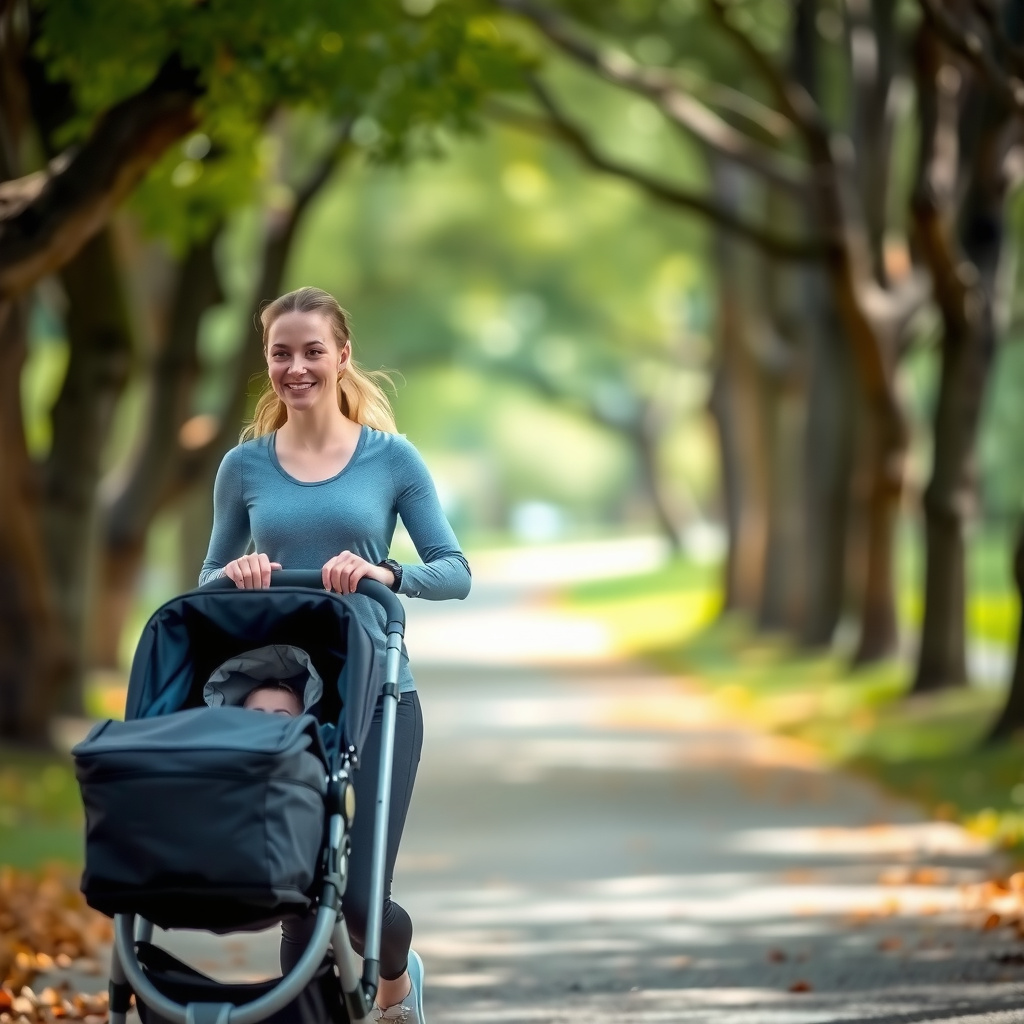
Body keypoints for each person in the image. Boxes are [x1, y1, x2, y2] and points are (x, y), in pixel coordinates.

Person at [198, 286, 471, 1024]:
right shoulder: (244, 468)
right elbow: (205, 581)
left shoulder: (391, 459)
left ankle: (394, 984)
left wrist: (388, 573)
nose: (297, 367)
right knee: (298, 899)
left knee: (356, 900)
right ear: (268, 360)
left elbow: (455, 570)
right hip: (289, 700)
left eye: (313, 351)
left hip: (381, 693)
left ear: (342, 356)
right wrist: (238, 575)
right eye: (281, 353)